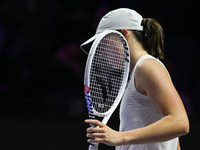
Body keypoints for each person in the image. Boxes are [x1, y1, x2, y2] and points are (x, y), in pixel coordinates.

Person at [81, 8, 189, 150]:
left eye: (104, 42)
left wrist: (119, 137)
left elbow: (180, 122)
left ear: (124, 34)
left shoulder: (147, 67)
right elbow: (173, 139)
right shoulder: (138, 72)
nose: (101, 54)